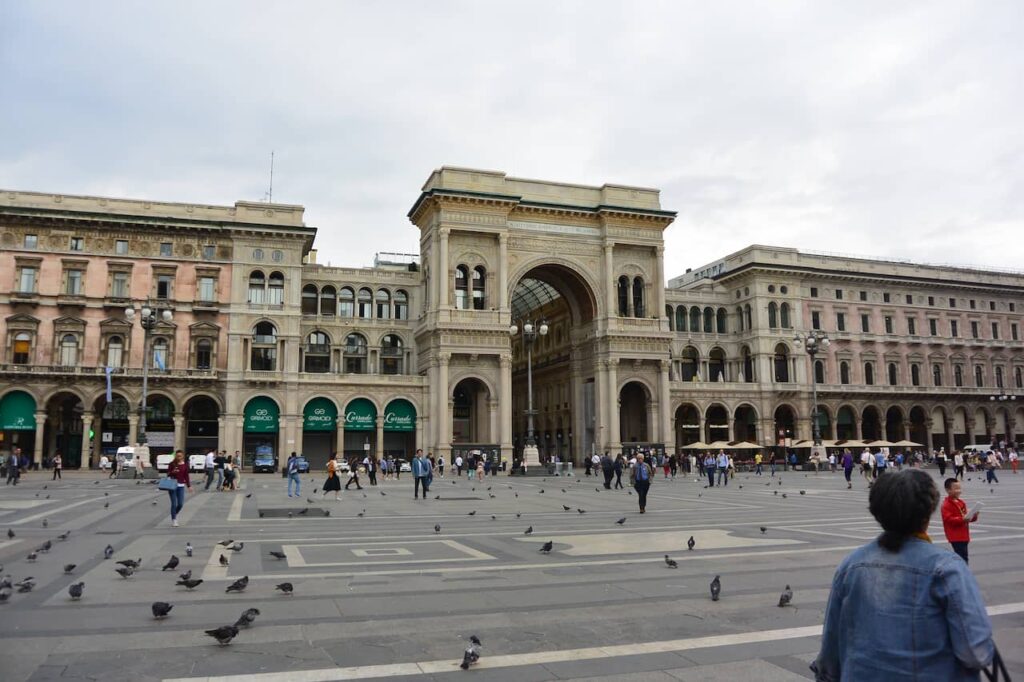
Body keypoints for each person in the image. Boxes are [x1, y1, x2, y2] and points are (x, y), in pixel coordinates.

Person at [812, 470, 993, 679]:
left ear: (877, 513)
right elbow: (976, 654)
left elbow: (830, 652)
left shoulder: (850, 565)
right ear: (927, 513)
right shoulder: (947, 568)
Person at [941, 478, 979, 565]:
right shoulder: (946, 505)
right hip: (955, 536)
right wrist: (962, 519)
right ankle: (964, 575)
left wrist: (974, 515)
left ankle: (962, 573)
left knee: (962, 557)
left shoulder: (961, 502)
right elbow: (949, 520)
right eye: (956, 489)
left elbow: (966, 518)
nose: (959, 491)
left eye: (959, 488)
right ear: (948, 490)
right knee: (962, 558)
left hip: (964, 535)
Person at [165, 450, 192, 528]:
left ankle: (174, 513)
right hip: (172, 486)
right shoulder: (172, 464)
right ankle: (174, 519)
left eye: (180, 456)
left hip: (181, 486)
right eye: (177, 456)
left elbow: (186, 476)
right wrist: (173, 472)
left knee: (180, 504)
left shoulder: (185, 465)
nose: (179, 457)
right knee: (174, 504)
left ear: (183, 456)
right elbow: (168, 474)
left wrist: (189, 486)